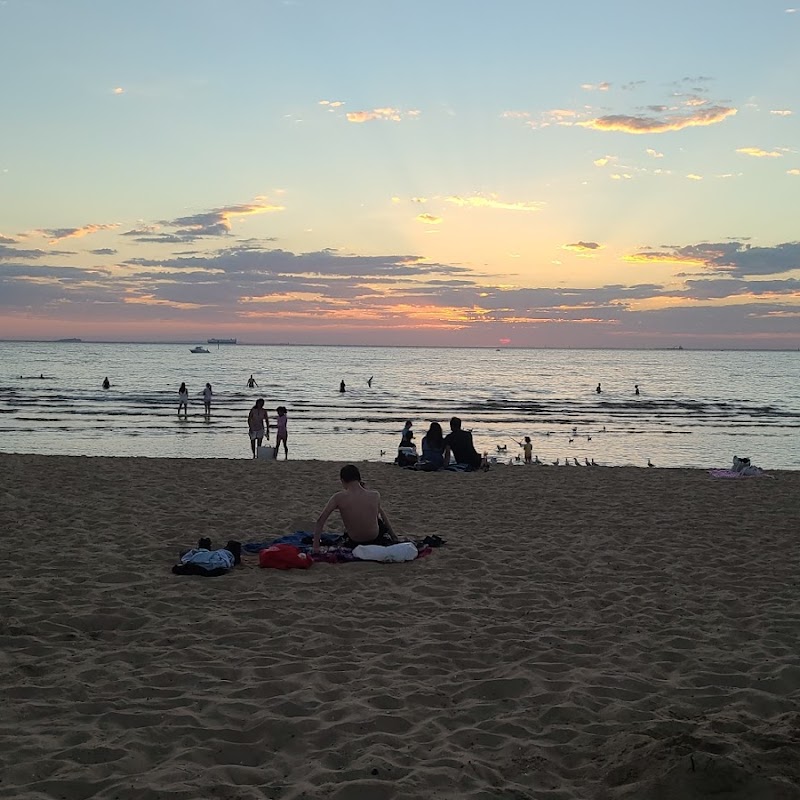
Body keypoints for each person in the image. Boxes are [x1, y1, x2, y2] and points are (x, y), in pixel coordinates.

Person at [313, 464, 398, 553]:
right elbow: (376, 516)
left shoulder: (338, 497)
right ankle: (393, 536)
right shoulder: (375, 495)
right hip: (374, 538)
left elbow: (320, 521)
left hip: (355, 540)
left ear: (342, 481)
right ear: (359, 479)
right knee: (378, 516)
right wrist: (393, 536)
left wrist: (315, 547)